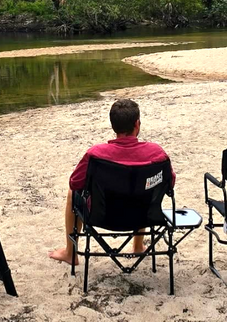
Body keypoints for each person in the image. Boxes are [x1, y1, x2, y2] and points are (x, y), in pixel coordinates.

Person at [48, 98, 175, 264]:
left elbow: (75, 183)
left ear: (113, 125)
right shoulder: (157, 153)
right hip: (143, 215)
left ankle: (71, 253)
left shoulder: (95, 155)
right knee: (144, 190)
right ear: (137, 124)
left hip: (103, 216)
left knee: (72, 193)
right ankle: (138, 246)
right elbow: (170, 184)